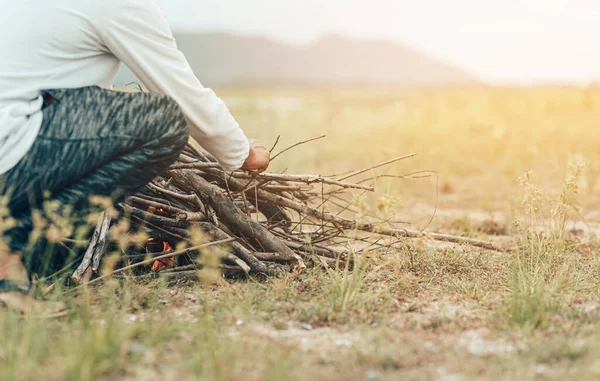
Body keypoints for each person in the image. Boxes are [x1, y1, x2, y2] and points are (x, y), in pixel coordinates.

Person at [0, 0, 270, 314]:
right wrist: (241, 152)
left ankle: (27, 251)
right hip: (13, 142)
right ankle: (8, 250)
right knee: (163, 122)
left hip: (19, 134)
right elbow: (182, 95)